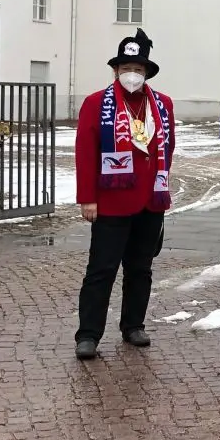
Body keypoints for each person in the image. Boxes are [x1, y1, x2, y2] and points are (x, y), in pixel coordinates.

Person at [73, 29, 175, 361]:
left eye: (139, 68)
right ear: (116, 70)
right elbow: (86, 152)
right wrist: (88, 197)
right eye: (126, 67)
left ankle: (133, 325)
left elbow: (166, 150)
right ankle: (88, 334)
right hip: (111, 202)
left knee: (140, 268)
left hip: (149, 201)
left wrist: (161, 188)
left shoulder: (162, 105)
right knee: (101, 269)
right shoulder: (96, 104)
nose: (133, 74)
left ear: (147, 72)